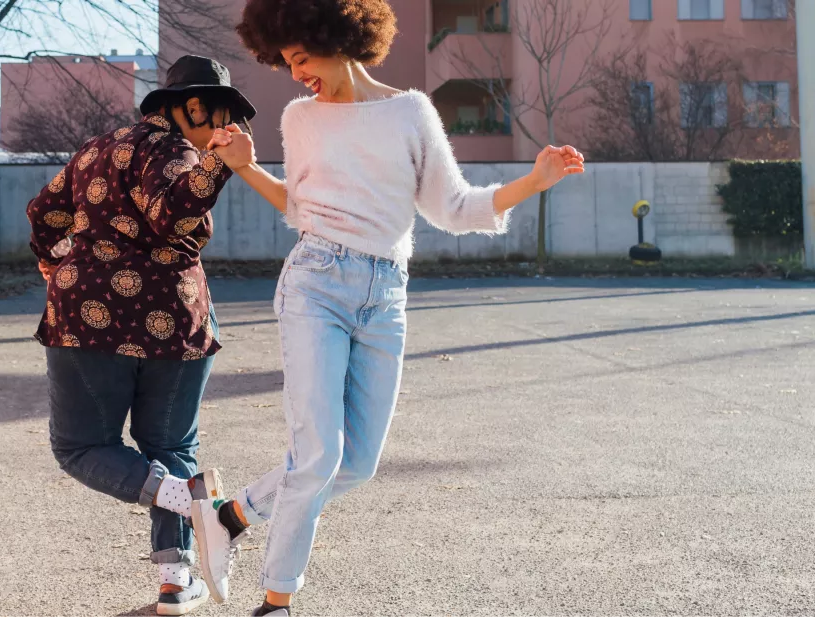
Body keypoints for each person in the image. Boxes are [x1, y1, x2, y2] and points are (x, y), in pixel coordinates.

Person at [190, 1, 587, 614]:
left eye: (302, 57)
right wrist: (244, 168)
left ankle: (232, 515)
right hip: (315, 283)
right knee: (318, 455)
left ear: (338, 37)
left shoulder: (411, 112)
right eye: (286, 62)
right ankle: (276, 601)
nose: (296, 73)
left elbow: (455, 209)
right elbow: (298, 207)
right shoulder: (300, 118)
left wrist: (533, 182)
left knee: (355, 464)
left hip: (386, 295)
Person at [25, 55, 257, 616]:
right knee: (169, 447)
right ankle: (181, 559)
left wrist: (54, 261)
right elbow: (170, 217)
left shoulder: (95, 149)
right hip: (171, 320)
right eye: (219, 113)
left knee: (83, 447)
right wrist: (218, 166)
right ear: (190, 107)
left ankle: (180, 567)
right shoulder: (179, 152)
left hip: (86, 318)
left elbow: (44, 212)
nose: (225, 126)